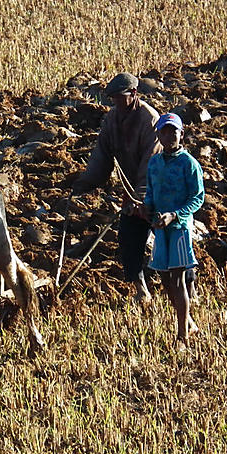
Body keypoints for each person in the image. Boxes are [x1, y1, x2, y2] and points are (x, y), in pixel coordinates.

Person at [71, 72, 162, 302]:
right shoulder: (112, 120)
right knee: (128, 240)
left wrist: (139, 199)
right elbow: (101, 156)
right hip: (132, 191)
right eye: (113, 99)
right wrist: (85, 182)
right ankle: (141, 289)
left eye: (120, 98)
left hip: (157, 189)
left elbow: (151, 164)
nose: (116, 103)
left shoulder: (149, 120)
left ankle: (185, 288)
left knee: (166, 238)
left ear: (133, 94)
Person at [144, 112, 204, 345]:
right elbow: (150, 193)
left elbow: (197, 198)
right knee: (165, 278)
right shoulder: (155, 163)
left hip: (179, 227)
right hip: (160, 227)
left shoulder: (189, 164)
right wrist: (143, 208)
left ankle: (182, 337)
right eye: (165, 131)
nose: (169, 135)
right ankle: (189, 323)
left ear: (182, 134)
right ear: (158, 134)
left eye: (173, 131)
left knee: (178, 280)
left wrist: (176, 215)